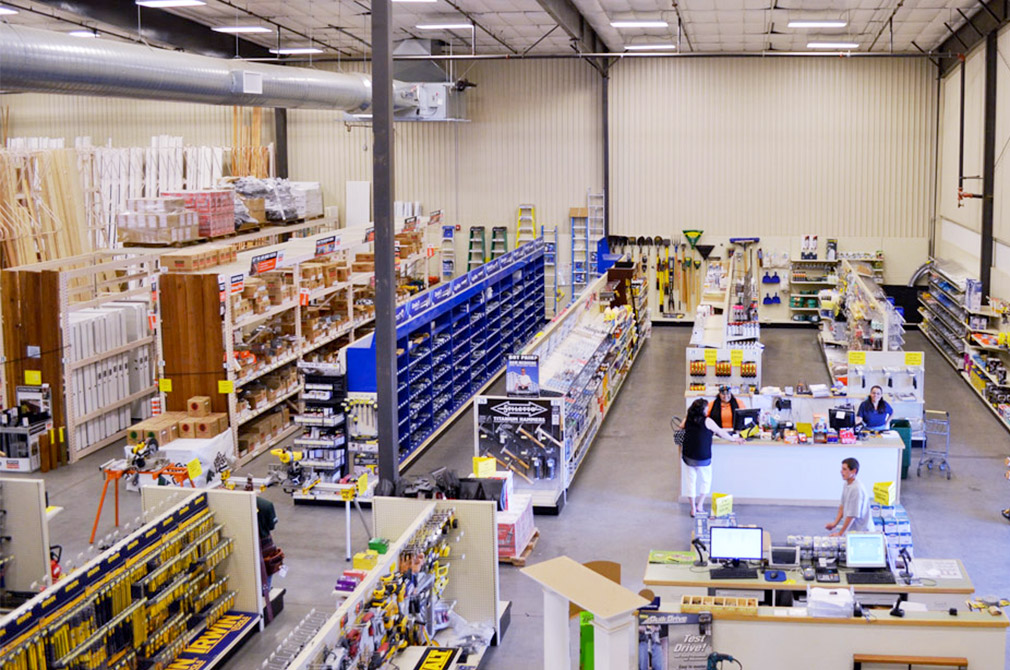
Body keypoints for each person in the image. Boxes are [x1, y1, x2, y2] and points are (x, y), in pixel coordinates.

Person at [681, 398, 743, 517]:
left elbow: (680, 426)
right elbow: (721, 432)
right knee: (706, 480)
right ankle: (700, 505)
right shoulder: (708, 421)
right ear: (703, 410)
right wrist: (735, 439)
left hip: (688, 456)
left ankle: (693, 508)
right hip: (703, 457)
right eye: (706, 408)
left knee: (690, 482)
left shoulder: (687, 419)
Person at [825, 457, 874, 536]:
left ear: (853, 471)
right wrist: (835, 523)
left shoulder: (856, 489)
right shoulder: (847, 484)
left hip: (862, 532)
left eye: (844, 469)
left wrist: (840, 533)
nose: (841, 472)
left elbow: (852, 516)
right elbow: (842, 507)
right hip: (852, 529)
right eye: (842, 469)